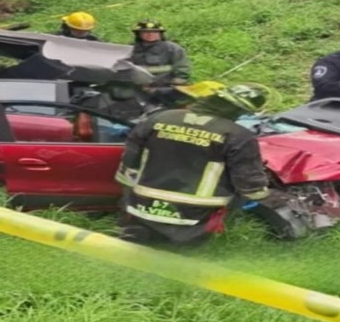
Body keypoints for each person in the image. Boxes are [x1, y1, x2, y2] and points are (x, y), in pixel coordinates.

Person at [115, 82, 272, 245]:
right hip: (196, 210)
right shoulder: (238, 135)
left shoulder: (159, 118)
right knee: (240, 198)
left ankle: (136, 230)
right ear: (239, 111)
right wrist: (262, 195)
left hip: (141, 202)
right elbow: (250, 185)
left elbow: (128, 164)